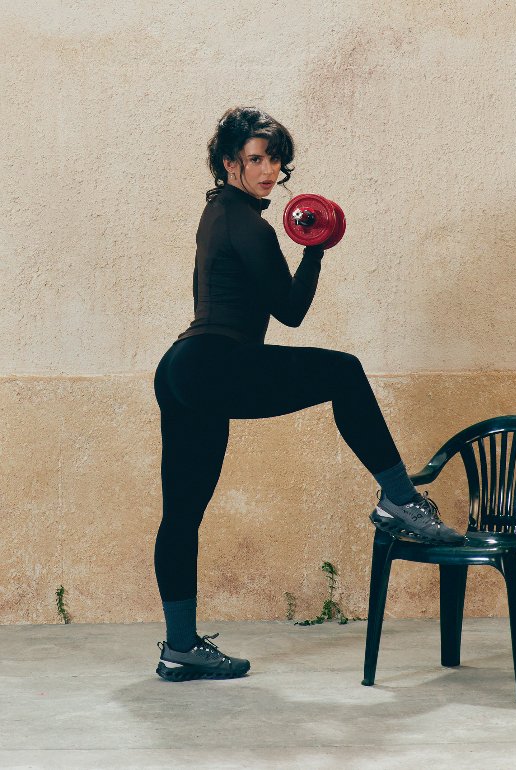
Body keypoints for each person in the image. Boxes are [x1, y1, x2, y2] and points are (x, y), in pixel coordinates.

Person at [152, 106, 464, 682]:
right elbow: (291, 312)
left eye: (275, 160)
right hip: (216, 363)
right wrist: (316, 249)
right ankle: (401, 499)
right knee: (344, 371)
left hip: (181, 369)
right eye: (255, 159)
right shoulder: (248, 224)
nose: (269, 171)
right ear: (230, 163)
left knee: (181, 517)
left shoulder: (217, 213)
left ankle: (180, 648)